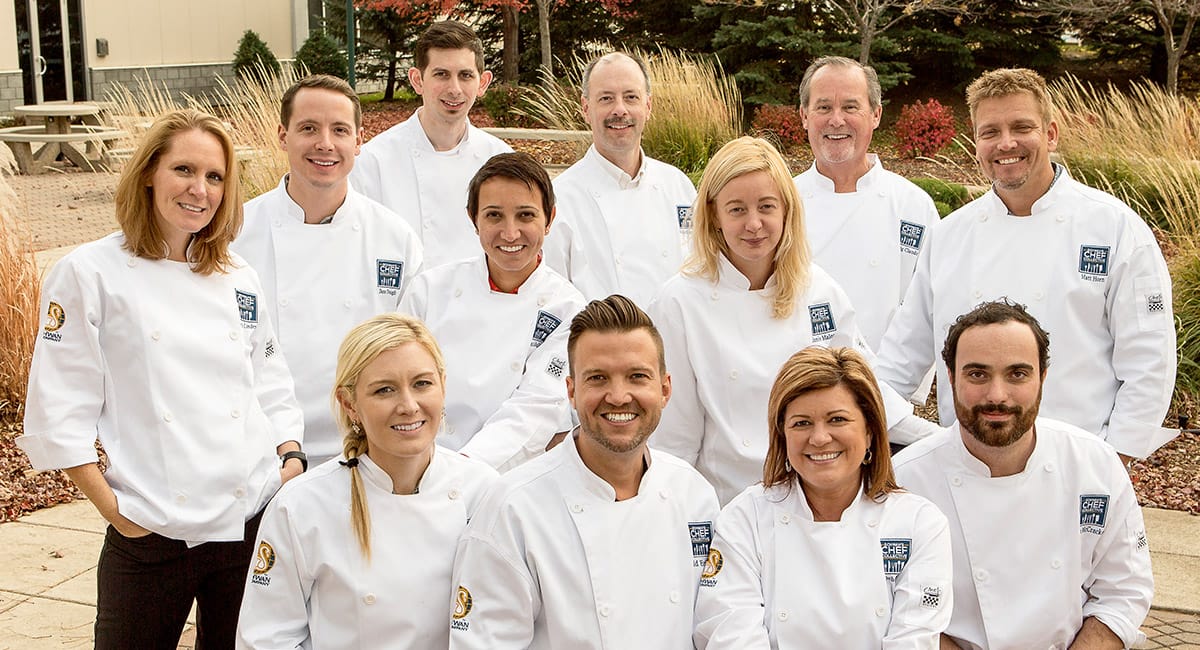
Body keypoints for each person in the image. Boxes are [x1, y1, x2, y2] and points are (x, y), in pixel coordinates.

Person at [17, 109, 305, 648]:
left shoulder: (237, 275)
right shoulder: (89, 272)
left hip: (248, 521)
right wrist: (116, 512)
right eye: (184, 170)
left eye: (215, 177)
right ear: (149, 172)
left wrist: (289, 456)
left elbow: (269, 377)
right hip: (152, 531)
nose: (200, 190)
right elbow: (61, 405)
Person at [875, 68, 1177, 462]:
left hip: (1076, 464)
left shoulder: (1114, 228)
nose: (1006, 144)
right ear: (976, 142)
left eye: (1021, 127)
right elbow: (900, 359)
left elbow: (1149, 359)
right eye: (990, 132)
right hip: (966, 467)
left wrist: (1113, 462)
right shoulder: (949, 237)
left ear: (1050, 134)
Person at [648, 136, 938, 505]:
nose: (754, 224)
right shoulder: (678, 303)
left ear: (787, 210)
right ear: (714, 215)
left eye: (766, 206)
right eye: (736, 209)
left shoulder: (819, 291)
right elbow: (675, 442)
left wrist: (941, 441)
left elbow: (868, 390)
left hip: (816, 501)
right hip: (728, 505)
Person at [448, 295, 720, 649]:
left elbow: (717, 629)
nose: (619, 396)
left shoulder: (695, 496)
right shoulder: (513, 509)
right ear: (571, 392)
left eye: (637, 376)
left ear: (665, 389)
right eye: (598, 378)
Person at [893, 299, 1153, 649]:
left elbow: (1124, 591)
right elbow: (892, 608)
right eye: (977, 374)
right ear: (950, 378)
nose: (996, 395)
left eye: (1017, 374)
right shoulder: (904, 481)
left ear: (1042, 377)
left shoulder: (1095, 467)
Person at [237, 313, 498, 648]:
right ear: (350, 404)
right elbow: (266, 638)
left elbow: (501, 627)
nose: (408, 405)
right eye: (384, 390)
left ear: (443, 386)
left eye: (422, 383)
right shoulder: (301, 506)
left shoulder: (485, 493)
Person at [694, 346, 952, 648]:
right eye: (802, 423)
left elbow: (914, 639)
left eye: (837, 419)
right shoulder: (745, 519)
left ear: (870, 431)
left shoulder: (919, 524)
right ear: (782, 435)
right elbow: (731, 634)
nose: (819, 438)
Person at [234, 74, 424, 467]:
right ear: (283, 136)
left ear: (358, 141)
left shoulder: (394, 238)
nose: (325, 144)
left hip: (365, 448)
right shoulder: (235, 233)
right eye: (308, 128)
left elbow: (412, 351)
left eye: (339, 130)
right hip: (261, 449)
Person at [399, 152, 584, 471]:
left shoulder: (568, 309)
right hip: (419, 467)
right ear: (474, 220)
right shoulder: (428, 291)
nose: (510, 233)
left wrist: (462, 471)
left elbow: (535, 409)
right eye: (494, 216)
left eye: (525, 216)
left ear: (549, 219)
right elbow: (396, 380)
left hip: (510, 477)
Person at [792, 56, 938, 353]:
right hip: (798, 382)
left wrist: (897, 389)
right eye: (823, 107)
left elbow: (934, 306)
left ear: (876, 114)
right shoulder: (782, 203)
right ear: (804, 115)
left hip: (887, 384)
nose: (836, 120)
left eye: (850, 107)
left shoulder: (913, 207)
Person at [350, 20, 512, 268]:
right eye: (441, 74)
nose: (454, 89)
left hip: (480, 302)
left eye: (465, 75)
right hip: (401, 304)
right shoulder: (373, 161)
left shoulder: (501, 159)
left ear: (483, 83)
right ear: (417, 80)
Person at [544, 51, 697, 307]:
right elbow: (552, 298)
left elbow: (701, 274)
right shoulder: (559, 198)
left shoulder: (678, 186)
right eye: (606, 98)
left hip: (675, 343)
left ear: (647, 107)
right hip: (599, 344)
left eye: (631, 97)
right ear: (586, 108)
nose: (620, 110)